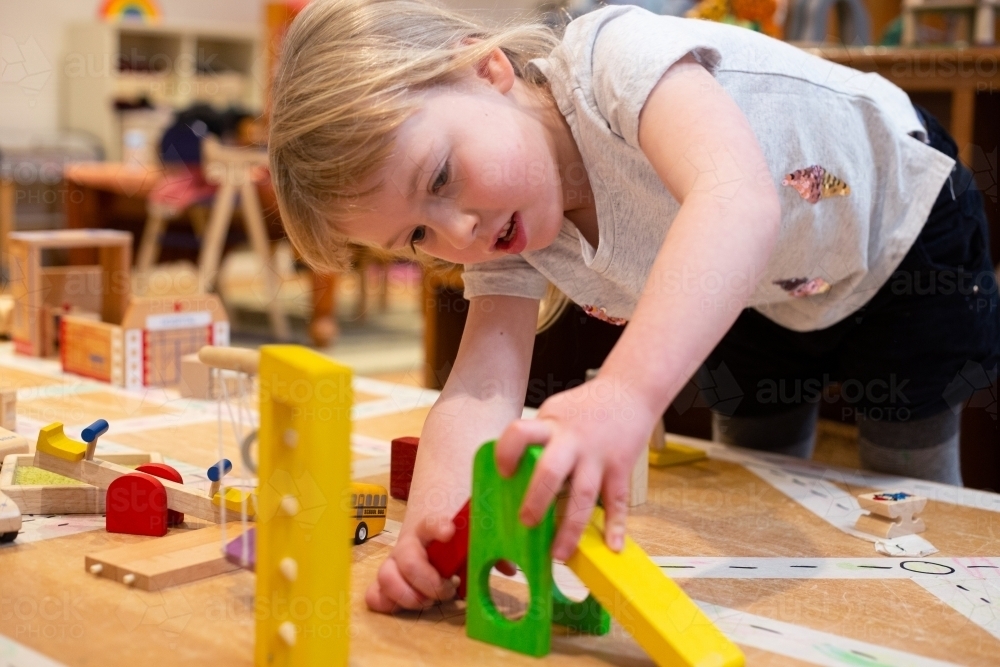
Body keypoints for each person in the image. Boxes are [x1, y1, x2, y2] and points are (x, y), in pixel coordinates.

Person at [267, 0, 999, 613]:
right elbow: (482, 388)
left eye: (442, 175)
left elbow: (735, 200)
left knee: (908, 485)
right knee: (762, 481)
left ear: (486, 69)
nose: (459, 229)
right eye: (419, 234)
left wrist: (624, 393)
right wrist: (432, 530)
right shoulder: (506, 232)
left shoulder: (613, 58)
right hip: (758, 286)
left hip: (904, 226)